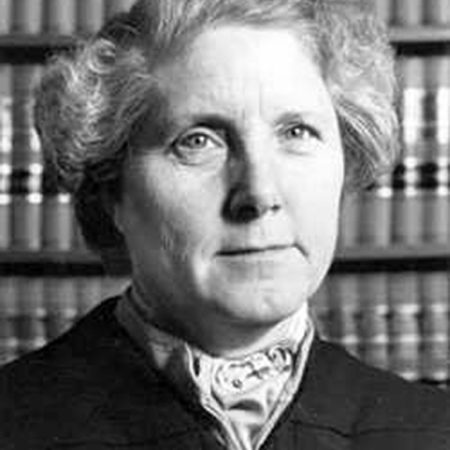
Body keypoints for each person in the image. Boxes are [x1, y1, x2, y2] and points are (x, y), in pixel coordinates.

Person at [1, 0, 450, 449]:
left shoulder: (432, 431)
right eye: (198, 141)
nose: (260, 193)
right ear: (110, 189)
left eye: (296, 132)